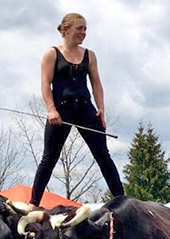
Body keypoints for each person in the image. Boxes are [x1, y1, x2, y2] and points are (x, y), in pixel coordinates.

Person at [29, 13, 125, 207]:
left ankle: (121, 199)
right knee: (49, 158)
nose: (83, 32)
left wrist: (101, 109)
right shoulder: (52, 53)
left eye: (85, 29)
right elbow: (45, 84)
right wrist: (51, 110)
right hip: (60, 111)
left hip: (85, 109)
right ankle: (33, 202)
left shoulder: (89, 55)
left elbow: (96, 83)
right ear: (66, 30)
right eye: (79, 28)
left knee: (103, 155)